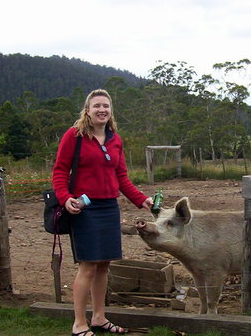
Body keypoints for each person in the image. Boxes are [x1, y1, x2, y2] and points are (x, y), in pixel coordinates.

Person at [52, 89, 153, 336]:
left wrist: (143, 200)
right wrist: (66, 199)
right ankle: (79, 324)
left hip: (109, 208)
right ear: (87, 110)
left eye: (106, 106)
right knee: (87, 266)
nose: (102, 110)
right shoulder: (74, 136)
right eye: (96, 105)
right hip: (85, 210)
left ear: (110, 110)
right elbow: (59, 172)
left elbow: (121, 178)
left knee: (104, 266)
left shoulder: (114, 139)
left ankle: (98, 318)